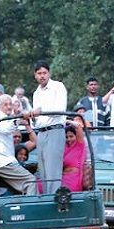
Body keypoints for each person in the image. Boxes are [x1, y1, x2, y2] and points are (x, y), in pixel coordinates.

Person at [0, 94, 38, 195]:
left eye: (10, 104)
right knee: (31, 181)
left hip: (3, 161)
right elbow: (6, 129)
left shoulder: (6, 118)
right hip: (2, 161)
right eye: (5, 105)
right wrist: (19, 118)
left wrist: (25, 121)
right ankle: (30, 208)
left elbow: (34, 142)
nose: (9, 107)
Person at [28, 60, 67, 193]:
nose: (42, 76)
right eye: (39, 73)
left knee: (53, 171)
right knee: (43, 171)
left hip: (55, 130)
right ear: (35, 75)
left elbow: (60, 108)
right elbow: (37, 117)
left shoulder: (58, 86)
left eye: (44, 73)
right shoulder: (36, 93)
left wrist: (41, 110)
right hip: (41, 132)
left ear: (49, 73)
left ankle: (53, 202)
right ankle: (46, 200)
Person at [61, 122, 87, 192]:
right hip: (62, 177)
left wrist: (66, 120)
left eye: (71, 136)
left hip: (74, 179)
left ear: (76, 136)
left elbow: (78, 126)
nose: (69, 139)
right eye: (66, 137)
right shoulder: (64, 148)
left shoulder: (79, 145)